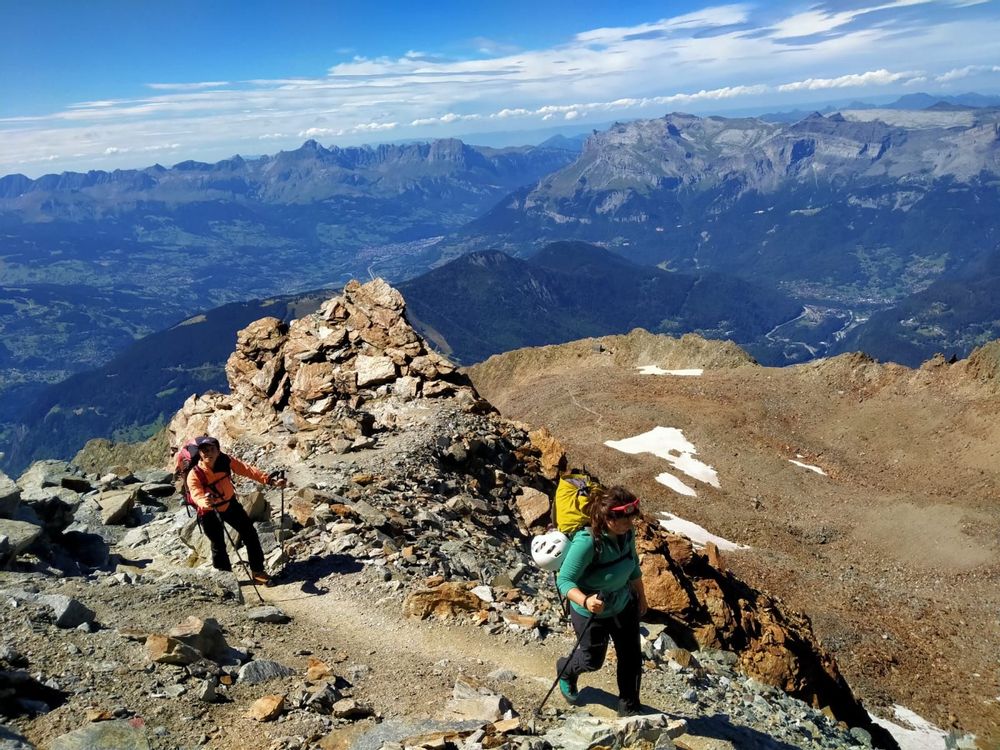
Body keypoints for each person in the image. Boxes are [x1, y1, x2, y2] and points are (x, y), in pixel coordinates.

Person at [555, 485, 648, 716]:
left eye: (631, 519)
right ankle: (565, 670)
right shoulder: (586, 543)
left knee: (632, 659)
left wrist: (641, 597)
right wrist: (585, 601)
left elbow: (632, 564)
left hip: (622, 603)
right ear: (608, 517)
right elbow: (564, 580)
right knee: (591, 660)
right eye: (625, 520)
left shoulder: (627, 534)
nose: (630, 524)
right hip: (591, 612)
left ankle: (629, 709)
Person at [186, 436, 286, 585]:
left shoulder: (226, 461)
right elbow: (196, 495)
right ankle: (226, 579)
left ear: (218, 450)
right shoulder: (195, 474)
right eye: (204, 451)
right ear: (200, 454)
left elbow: (247, 470)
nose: (208, 453)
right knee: (218, 544)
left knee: (250, 534)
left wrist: (269, 480)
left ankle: (258, 571)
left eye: (211, 449)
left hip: (229, 504)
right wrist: (205, 502)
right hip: (208, 512)